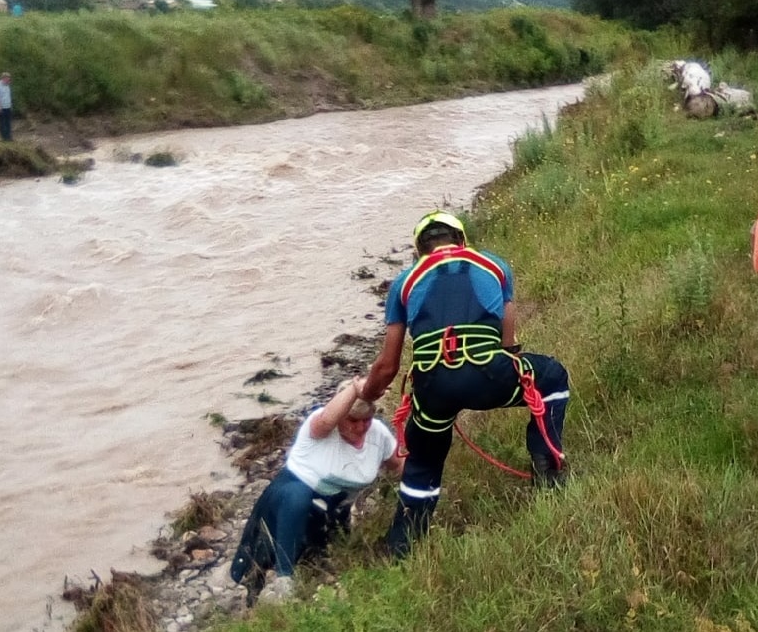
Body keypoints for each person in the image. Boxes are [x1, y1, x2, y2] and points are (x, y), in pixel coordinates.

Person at [359, 211, 571, 557]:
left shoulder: (404, 282)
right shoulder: (495, 266)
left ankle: (402, 547)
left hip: (433, 387)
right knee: (552, 378)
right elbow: (507, 340)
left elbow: (386, 367)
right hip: (489, 373)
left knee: (423, 465)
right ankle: (546, 469)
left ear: (419, 250)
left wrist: (366, 399)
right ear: (461, 241)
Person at [229, 376, 402, 604]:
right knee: (297, 498)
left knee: (323, 564)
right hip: (285, 509)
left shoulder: (378, 435)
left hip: (331, 516)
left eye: (366, 420)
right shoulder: (320, 428)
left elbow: (399, 466)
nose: (360, 427)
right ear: (341, 416)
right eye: (352, 420)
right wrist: (355, 389)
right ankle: (283, 580)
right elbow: (327, 419)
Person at [0, 72, 13, 142]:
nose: (9, 79)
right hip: (1, 107)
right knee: (2, 123)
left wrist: (10, 104)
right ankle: (4, 138)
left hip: (8, 106)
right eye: (7, 78)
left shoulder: (7, 85)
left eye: (9, 78)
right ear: (4, 78)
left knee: (8, 122)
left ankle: (9, 137)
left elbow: (8, 96)